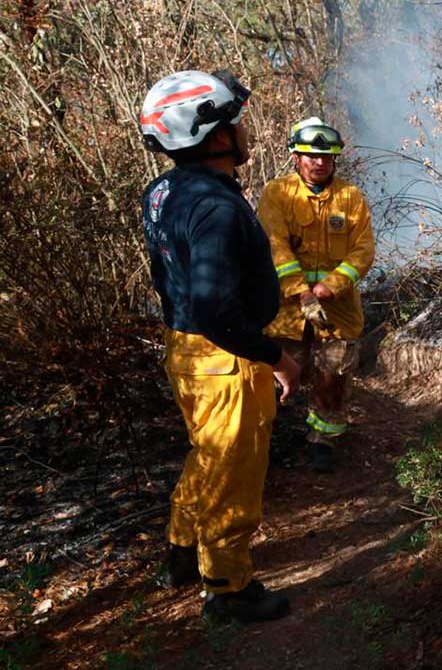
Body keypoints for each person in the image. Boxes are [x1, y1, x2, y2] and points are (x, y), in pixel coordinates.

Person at [139, 70, 300, 623]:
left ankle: (181, 549)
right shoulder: (216, 207)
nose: (244, 130)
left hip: (184, 350)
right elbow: (215, 307)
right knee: (234, 471)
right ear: (212, 135)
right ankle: (228, 589)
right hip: (223, 361)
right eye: (235, 121)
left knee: (205, 454)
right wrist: (275, 357)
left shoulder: (161, 192)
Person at [256, 116, 375, 473]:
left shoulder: (350, 198)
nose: (320, 162)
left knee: (333, 378)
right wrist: (301, 294)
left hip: (337, 313)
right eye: (311, 155)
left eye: (327, 156)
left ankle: (322, 441)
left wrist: (328, 287)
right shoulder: (277, 194)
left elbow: (363, 252)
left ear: (336, 159)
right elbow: (275, 248)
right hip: (286, 312)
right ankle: (264, 441)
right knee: (273, 376)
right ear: (296, 156)